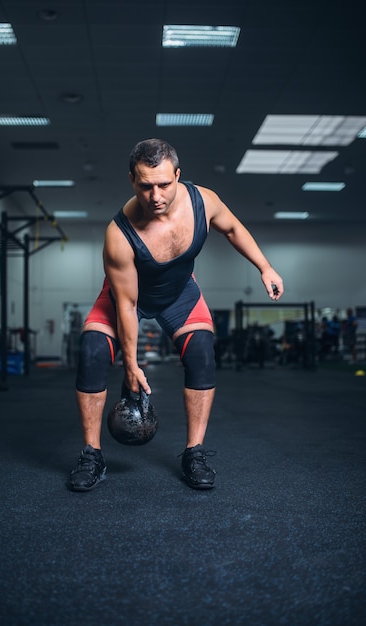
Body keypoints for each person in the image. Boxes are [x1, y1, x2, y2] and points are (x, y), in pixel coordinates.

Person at [68, 138, 284, 492]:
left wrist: (265, 267)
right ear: (132, 181)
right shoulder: (119, 234)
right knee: (92, 351)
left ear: (178, 176)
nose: (156, 196)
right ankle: (92, 455)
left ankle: (194, 453)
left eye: (164, 184)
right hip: (127, 297)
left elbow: (231, 228)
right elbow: (125, 304)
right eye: (145, 186)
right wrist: (132, 365)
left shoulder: (203, 201)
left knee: (202, 351)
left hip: (179, 293)